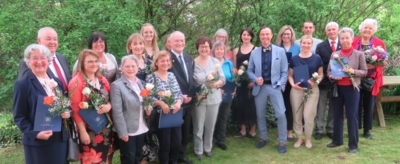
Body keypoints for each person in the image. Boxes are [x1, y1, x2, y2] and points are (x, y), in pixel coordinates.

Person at [13, 44, 71, 164]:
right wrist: (36, 134)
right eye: (34, 58)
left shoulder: (57, 81)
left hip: (59, 140)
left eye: (43, 58)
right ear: (28, 62)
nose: (39, 61)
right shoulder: (22, 85)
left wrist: (67, 112)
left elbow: (64, 104)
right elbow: (19, 116)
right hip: (37, 143)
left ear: (48, 61)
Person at [247, 26, 288, 153]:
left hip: (275, 87)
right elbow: (249, 70)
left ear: (271, 36)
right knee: (260, 114)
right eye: (262, 34)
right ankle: (263, 138)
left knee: (281, 114)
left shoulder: (280, 51)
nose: (264, 36)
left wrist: (280, 85)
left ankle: (282, 141)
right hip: (260, 88)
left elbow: (285, 71)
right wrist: (255, 79)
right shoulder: (254, 52)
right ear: (259, 36)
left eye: (267, 34)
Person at [327, 27, 367, 153]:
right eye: (342, 38)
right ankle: (337, 140)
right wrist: (332, 76)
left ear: (352, 39)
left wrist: (353, 71)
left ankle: (353, 145)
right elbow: (329, 71)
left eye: (347, 38)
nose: (344, 40)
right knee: (337, 115)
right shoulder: (335, 54)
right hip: (338, 88)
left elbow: (365, 72)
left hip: (352, 89)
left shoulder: (359, 54)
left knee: (352, 116)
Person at [69, 49, 113, 163]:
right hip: (89, 131)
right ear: (82, 63)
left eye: (96, 61)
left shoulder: (101, 79)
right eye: (90, 61)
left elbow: (110, 98)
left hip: (105, 127)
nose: (94, 64)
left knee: (106, 159)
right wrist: (83, 133)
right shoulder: (76, 82)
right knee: (92, 160)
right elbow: (75, 110)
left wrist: (109, 105)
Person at [111, 55, 151, 164]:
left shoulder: (140, 83)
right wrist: (122, 132)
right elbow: (117, 111)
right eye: (127, 66)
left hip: (141, 126)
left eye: (133, 66)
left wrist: (148, 108)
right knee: (129, 158)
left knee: (138, 156)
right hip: (127, 129)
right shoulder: (117, 85)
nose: (130, 69)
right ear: (122, 68)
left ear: (138, 68)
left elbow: (144, 101)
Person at [145, 50, 184, 164]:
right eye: (162, 61)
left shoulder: (171, 75)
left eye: (167, 60)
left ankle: (174, 161)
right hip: (161, 115)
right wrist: (161, 103)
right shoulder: (151, 77)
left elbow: (179, 93)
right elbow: (148, 97)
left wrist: (178, 102)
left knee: (177, 142)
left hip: (175, 113)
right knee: (165, 143)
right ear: (156, 63)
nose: (165, 63)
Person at [352, 18, 386, 140]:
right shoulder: (354, 40)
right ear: (361, 28)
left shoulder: (379, 43)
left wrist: (375, 65)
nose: (367, 30)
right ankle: (355, 127)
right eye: (365, 27)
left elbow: (384, 61)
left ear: (374, 30)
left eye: (370, 28)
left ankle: (367, 130)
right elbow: (348, 56)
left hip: (371, 79)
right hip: (355, 78)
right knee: (355, 104)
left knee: (369, 104)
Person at [192, 37, 225, 160]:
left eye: (206, 46)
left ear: (210, 48)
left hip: (214, 99)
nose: (204, 49)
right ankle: (198, 150)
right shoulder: (193, 63)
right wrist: (197, 93)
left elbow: (222, 78)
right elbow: (191, 83)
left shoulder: (215, 61)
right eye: (201, 46)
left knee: (210, 126)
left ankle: (207, 148)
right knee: (199, 126)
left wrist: (216, 84)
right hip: (199, 100)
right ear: (198, 48)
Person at [288, 35, 323, 148]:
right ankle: (299, 138)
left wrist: (316, 82)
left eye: (308, 43)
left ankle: (308, 138)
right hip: (297, 90)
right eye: (304, 43)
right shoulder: (294, 59)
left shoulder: (317, 58)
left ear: (311, 45)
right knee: (297, 115)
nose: (306, 45)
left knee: (308, 115)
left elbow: (321, 74)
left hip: (312, 90)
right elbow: (290, 75)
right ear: (300, 44)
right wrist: (293, 85)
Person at [168, 31, 197, 164]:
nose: (180, 43)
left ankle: (181, 154)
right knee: (174, 131)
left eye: (182, 40)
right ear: (171, 42)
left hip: (188, 102)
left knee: (185, 130)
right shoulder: (166, 58)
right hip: (174, 102)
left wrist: (196, 91)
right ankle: (171, 157)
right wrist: (179, 97)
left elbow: (190, 79)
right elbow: (164, 82)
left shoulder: (188, 57)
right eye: (177, 41)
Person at [18, 27, 72, 92]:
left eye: (55, 39)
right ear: (39, 41)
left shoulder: (62, 58)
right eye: (48, 39)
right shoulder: (30, 62)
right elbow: (24, 89)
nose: (52, 42)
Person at [314, 21, 341, 140]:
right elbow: (318, 64)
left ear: (338, 30)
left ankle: (330, 129)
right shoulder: (320, 46)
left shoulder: (344, 44)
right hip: (324, 81)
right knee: (321, 106)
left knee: (334, 107)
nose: (331, 32)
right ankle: (319, 130)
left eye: (333, 29)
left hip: (339, 81)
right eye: (329, 30)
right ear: (326, 32)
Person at [275, 25, 301, 141]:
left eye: (288, 34)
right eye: (284, 34)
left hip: (293, 81)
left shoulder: (297, 48)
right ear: (281, 35)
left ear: (292, 36)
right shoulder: (276, 48)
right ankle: (281, 131)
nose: (286, 36)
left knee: (290, 106)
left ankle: (289, 131)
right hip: (279, 81)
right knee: (281, 107)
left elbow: (301, 62)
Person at [231, 27, 257, 139]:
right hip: (241, 82)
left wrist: (254, 81)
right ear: (241, 36)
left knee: (252, 106)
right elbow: (234, 68)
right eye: (243, 35)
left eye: (248, 35)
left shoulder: (256, 49)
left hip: (252, 82)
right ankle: (242, 130)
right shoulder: (236, 50)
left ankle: (252, 130)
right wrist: (235, 83)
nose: (245, 37)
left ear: (251, 36)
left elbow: (258, 67)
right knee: (241, 105)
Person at [213, 41, 235, 150]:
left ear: (224, 51)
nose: (219, 51)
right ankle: (210, 140)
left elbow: (233, 78)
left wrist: (234, 88)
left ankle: (221, 140)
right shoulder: (210, 62)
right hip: (212, 94)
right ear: (213, 51)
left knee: (223, 118)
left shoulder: (229, 63)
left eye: (221, 49)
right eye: (217, 49)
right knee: (211, 118)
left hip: (226, 95)